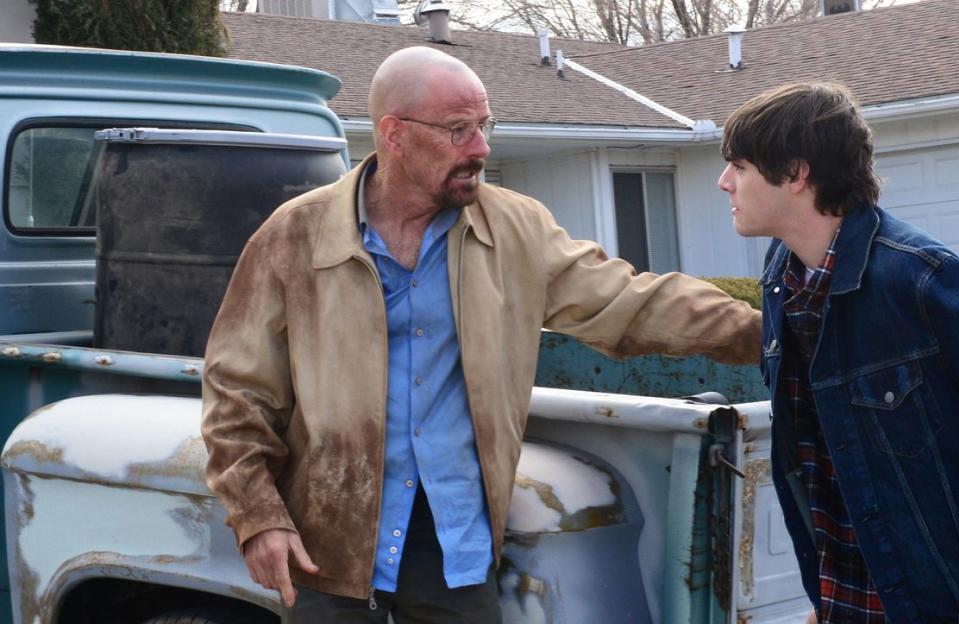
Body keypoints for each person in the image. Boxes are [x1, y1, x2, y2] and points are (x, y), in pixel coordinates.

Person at [201, 46, 760, 624]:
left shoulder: (517, 229)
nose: (481, 148)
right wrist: (258, 515)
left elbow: (631, 304)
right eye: (458, 130)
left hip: (455, 549)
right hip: (327, 548)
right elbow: (238, 392)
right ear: (394, 135)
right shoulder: (294, 237)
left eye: (483, 126)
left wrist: (769, 334)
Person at [717, 82, 959, 624]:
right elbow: (824, 459)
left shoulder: (918, 278)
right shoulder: (783, 277)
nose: (724, 181)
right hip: (864, 598)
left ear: (797, 174)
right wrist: (828, 597)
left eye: (740, 165)